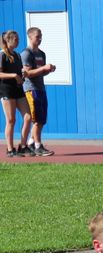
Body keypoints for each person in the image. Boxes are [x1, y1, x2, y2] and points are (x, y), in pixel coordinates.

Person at [21, 27, 55, 156]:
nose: (40, 39)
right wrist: (43, 69)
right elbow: (27, 73)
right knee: (36, 119)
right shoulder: (26, 53)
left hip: (41, 88)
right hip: (31, 89)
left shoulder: (42, 54)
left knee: (42, 119)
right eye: (37, 37)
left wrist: (48, 70)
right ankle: (38, 146)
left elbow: (40, 73)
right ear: (30, 37)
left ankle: (31, 143)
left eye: (41, 36)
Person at [0, 30, 33, 158]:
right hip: (6, 90)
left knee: (28, 117)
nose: (18, 41)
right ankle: (9, 149)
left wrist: (23, 73)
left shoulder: (18, 55)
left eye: (18, 39)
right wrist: (13, 75)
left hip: (18, 89)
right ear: (8, 40)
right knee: (11, 120)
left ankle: (23, 146)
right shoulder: (2, 55)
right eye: (15, 39)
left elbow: (20, 72)